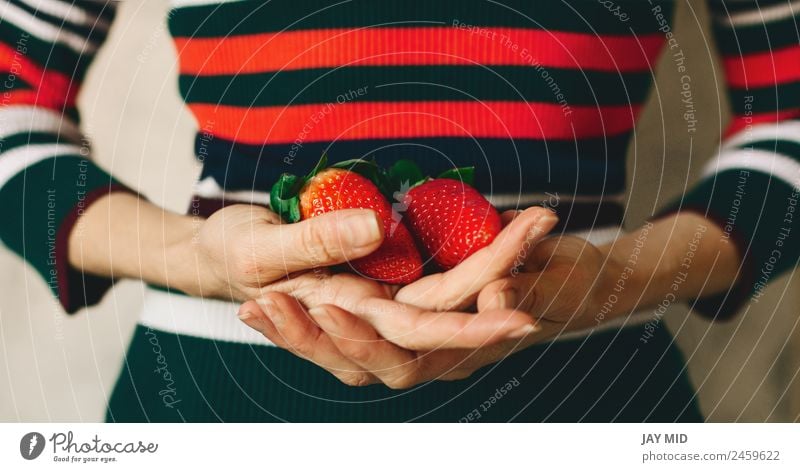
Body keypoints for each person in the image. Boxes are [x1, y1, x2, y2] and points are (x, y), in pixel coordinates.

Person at [0, 0, 797, 422]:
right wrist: (196, 257)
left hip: (588, 394)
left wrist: (621, 277)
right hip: (218, 399)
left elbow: (788, 118)